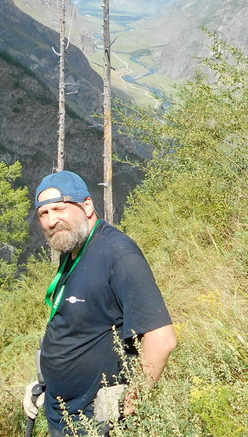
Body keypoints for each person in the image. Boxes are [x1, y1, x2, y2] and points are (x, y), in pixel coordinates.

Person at [22, 170, 176, 436]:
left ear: (88, 205)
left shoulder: (119, 255)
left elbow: (161, 339)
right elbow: (79, 327)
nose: (51, 221)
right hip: (62, 411)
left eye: (59, 208)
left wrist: (131, 402)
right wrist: (46, 385)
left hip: (94, 421)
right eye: (43, 214)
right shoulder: (73, 249)